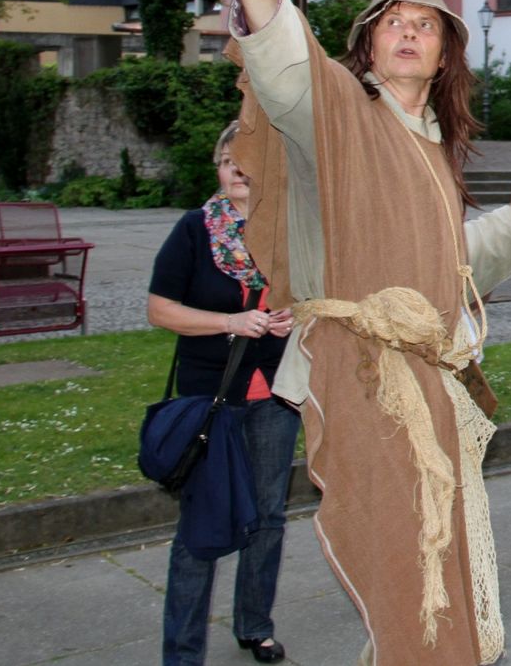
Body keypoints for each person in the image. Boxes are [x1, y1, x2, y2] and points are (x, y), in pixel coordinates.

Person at [190, 0, 511, 666]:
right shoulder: (345, 116)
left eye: (425, 25)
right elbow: (290, 72)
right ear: (369, 46)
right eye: (394, 23)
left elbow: (447, 268)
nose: (410, 33)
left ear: (446, 52)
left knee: (440, 559)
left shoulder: (430, 148)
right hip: (362, 372)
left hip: (430, 380)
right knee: (409, 565)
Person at [148, 121, 300, 666]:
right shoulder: (194, 230)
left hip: (276, 395)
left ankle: (254, 625)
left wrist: (291, 318)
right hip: (209, 396)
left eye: (249, 161)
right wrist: (229, 321)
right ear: (218, 169)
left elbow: (315, 297)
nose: (239, 171)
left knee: (267, 518)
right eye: (228, 161)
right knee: (201, 524)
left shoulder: (287, 231)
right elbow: (160, 310)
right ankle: (183, 651)